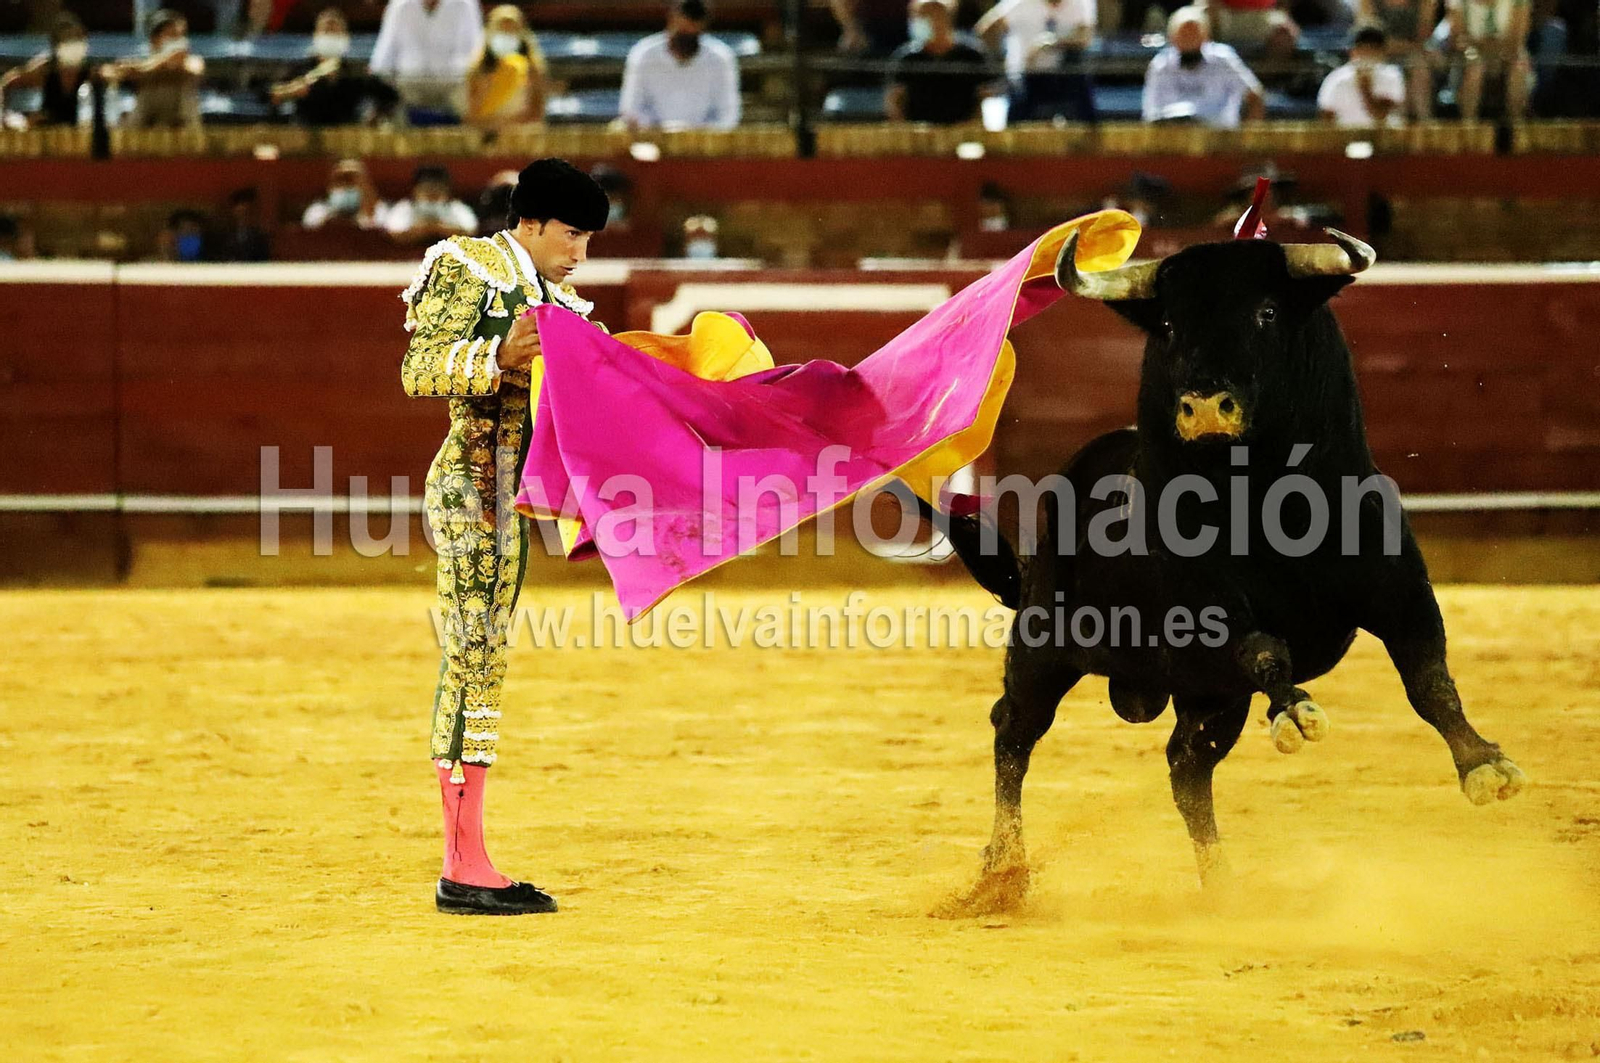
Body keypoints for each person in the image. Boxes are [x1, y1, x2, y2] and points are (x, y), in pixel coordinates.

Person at [399, 158, 610, 916]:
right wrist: (497, 356)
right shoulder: (470, 264)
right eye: (573, 234)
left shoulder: (562, 302)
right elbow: (418, 368)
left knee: (481, 658)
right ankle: (464, 864)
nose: (580, 252)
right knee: (474, 658)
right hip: (469, 487)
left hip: (510, 503)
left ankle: (469, 855)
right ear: (531, 222)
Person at [618, 0, 741, 131]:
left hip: (704, 142)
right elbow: (631, 109)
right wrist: (661, 130)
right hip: (652, 140)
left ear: (703, 27)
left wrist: (695, 133)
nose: (686, 38)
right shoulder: (643, 54)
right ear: (671, 20)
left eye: (692, 34)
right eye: (682, 32)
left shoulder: (721, 58)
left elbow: (728, 115)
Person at [269, 7, 399, 126]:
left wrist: (373, 118)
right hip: (306, 135)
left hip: (346, 137)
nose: (330, 35)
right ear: (315, 36)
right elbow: (269, 93)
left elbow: (390, 97)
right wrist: (290, 92)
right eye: (326, 30)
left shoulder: (356, 71)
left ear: (346, 37)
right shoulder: (301, 68)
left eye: (335, 31)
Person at [1142, 6, 1267, 125]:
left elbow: (1254, 95)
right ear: (1172, 38)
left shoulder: (1223, 59)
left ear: (1206, 35)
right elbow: (1151, 112)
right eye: (1184, 34)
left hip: (1219, 137)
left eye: (1194, 34)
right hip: (1174, 137)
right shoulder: (1160, 65)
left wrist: (1247, 138)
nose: (1189, 39)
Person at [977, 0, 1098, 121]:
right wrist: (999, 62)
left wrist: (1051, 43)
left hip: (1064, 77)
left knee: (1080, 79)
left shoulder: (1081, 2)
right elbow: (986, 29)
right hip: (1026, 76)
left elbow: (1085, 37)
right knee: (1020, 126)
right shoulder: (1020, 3)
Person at [369, 0, 484, 123]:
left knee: (470, 103)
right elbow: (381, 60)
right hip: (409, 85)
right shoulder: (399, 5)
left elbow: (476, 55)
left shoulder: (465, 4)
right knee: (390, 112)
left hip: (452, 85)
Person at [886, 0, 993, 123]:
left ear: (943, 18)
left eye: (923, 16)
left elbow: (985, 96)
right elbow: (894, 100)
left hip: (963, 134)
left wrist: (971, 126)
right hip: (919, 135)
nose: (916, 22)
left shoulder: (972, 55)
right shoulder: (907, 57)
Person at [103, 8, 203, 130]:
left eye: (181, 35)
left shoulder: (192, 61)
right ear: (154, 39)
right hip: (145, 127)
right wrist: (141, 69)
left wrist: (143, 69)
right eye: (172, 35)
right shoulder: (142, 59)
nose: (179, 42)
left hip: (182, 130)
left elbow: (194, 68)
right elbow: (110, 72)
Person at [1438, 0, 1534, 120]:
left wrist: (1485, 46)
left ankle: (1517, 127)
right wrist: (1485, 48)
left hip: (1508, 55)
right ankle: (1469, 126)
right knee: (1475, 67)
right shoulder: (1458, 2)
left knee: (1518, 67)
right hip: (1469, 57)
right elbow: (1458, 39)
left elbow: (1516, 40)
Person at [0, 12, 92, 127]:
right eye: (68, 40)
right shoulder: (45, 69)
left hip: (81, 133)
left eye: (77, 39)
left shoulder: (91, 70)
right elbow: (7, 83)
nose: (73, 45)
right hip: (48, 132)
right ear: (56, 44)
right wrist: (5, 116)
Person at [466, 4, 549, 127]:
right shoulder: (477, 71)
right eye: (502, 30)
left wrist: (507, 125)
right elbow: (471, 113)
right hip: (486, 134)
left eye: (511, 31)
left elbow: (537, 112)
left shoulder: (533, 71)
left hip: (523, 135)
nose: (506, 34)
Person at [1356, 0, 1437, 118]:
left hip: (1413, 54)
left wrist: (1403, 47)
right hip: (1378, 54)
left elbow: (1424, 36)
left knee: (1419, 68)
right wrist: (1401, 46)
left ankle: (1424, 123)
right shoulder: (1368, 2)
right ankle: (1396, 123)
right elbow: (1368, 36)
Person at [1318, 23, 1407, 124]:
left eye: (1373, 49)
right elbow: (1326, 118)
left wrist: (1365, 87)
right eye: (1362, 49)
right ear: (1352, 51)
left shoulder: (1392, 75)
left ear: (1382, 52)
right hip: (1346, 136)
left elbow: (1380, 114)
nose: (1367, 54)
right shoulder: (1336, 79)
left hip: (1383, 136)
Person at [386, 165, 478, 244]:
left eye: (438, 188)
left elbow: (471, 231)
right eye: (426, 188)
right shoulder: (404, 208)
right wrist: (428, 229)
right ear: (415, 190)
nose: (432, 193)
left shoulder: (456, 208)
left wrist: (437, 228)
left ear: (447, 190)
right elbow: (394, 232)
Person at [303, 158, 390, 230]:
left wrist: (368, 208)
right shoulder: (316, 211)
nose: (346, 187)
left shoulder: (380, 212)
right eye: (340, 181)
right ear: (330, 187)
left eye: (351, 182)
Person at [1205, 0, 1301, 59]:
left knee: (1286, 33)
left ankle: (1267, 81)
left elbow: (1282, 6)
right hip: (1227, 15)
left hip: (1263, 15)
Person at [213, 187, 271, 262]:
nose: (244, 216)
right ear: (234, 212)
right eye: (241, 212)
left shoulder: (260, 238)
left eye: (248, 212)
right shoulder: (222, 235)